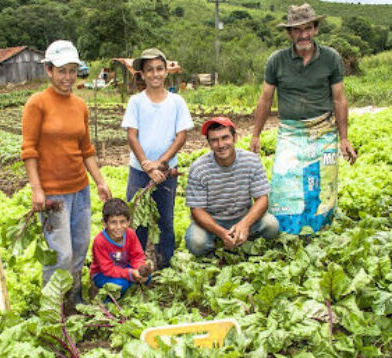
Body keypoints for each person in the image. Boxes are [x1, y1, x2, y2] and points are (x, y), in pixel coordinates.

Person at [250, 3, 357, 234]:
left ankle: (319, 234)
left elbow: (339, 99)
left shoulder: (331, 58)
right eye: (297, 30)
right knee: (283, 181)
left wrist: (344, 137)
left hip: (324, 132)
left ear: (315, 29)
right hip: (291, 132)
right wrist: (256, 134)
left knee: (321, 185)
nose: (303, 34)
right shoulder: (276, 60)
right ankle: (288, 234)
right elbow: (265, 99)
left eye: (307, 28)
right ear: (289, 33)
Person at [21, 40, 111, 304]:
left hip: (80, 190)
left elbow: (86, 149)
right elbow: (29, 150)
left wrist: (100, 182)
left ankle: (74, 297)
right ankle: (53, 305)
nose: (67, 77)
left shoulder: (80, 105)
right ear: (48, 70)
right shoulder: (37, 104)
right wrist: (37, 190)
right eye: (61, 71)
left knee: (80, 247)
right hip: (53, 195)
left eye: (72, 70)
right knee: (60, 253)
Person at [123, 48, 193, 268]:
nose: (155, 74)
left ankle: (165, 264)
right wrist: (146, 164)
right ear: (142, 74)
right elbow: (132, 135)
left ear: (166, 72)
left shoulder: (176, 102)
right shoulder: (136, 102)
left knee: (165, 219)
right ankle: (135, 266)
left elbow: (181, 136)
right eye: (149, 70)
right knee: (136, 220)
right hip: (138, 170)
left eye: (159, 69)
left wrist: (161, 163)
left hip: (166, 171)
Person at [185, 117, 279, 257]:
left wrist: (245, 224)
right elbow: (197, 211)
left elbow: (262, 199)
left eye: (225, 138)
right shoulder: (199, 168)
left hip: (243, 215)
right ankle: (220, 245)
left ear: (235, 137)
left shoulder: (251, 161)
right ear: (209, 143)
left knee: (271, 225)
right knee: (196, 242)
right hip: (212, 221)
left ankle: (242, 238)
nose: (221, 144)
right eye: (214, 140)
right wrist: (222, 233)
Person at [90, 198, 151, 295]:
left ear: (129, 221)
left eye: (122, 222)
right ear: (104, 223)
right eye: (113, 222)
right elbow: (107, 269)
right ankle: (107, 301)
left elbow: (137, 256)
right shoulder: (100, 241)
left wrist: (139, 269)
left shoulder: (130, 234)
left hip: (123, 267)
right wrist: (130, 273)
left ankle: (131, 285)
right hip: (102, 274)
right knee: (121, 285)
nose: (118, 227)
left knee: (147, 277)